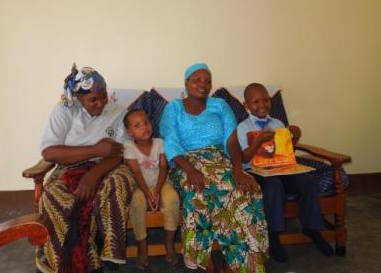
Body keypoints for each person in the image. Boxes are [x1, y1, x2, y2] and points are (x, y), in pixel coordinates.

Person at [159, 63, 268, 273]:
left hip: (220, 160)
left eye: (207, 81)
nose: (203, 84)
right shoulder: (173, 108)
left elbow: (232, 141)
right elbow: (170, 142)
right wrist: (190, 169)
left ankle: (238, 262)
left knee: (247, 192)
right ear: (186, 83)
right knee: (195, 192)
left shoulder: (220, 105)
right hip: (186, 162)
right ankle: (204, 262)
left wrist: (238, 170)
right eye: (196, 80)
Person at [36, 65, 136, 273]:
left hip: (110, 166)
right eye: (93, 100)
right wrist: (94, 149)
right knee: (54, 197)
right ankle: (82, 262)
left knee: (116, 185)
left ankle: (110, 255)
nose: (100, 104)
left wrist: (94, 173)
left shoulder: (118, 112)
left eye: (104, 96)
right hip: (70, 167)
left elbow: (119, 153)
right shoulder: (64, 110)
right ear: (78, 98)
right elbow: (50, 152)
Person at [237, 82, 334, 263]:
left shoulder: (278, 123)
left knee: (306, 180)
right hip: (257, 171)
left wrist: (294, 137)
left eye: (265, 100)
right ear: (246, 105)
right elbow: (243, 158)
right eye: (256, 102)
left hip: (281, 168)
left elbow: (286, 150)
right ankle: (273, 235)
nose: (262, 105)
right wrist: (258, 142)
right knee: (273, 186)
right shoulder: (243, 128)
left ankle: (312, 228)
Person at [123, 109, 180, 270]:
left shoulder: (160, 143)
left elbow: (163, 168)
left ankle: (169, 243)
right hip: (141, 186)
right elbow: (135, 172)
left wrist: (156, 191)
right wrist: (148, 193)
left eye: (146, 122)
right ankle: (142, 246)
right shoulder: (128, 146)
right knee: (136, 204)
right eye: (137, 125)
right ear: (130, 132)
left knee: (172, 199)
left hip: (162, 183)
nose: (144, 127)